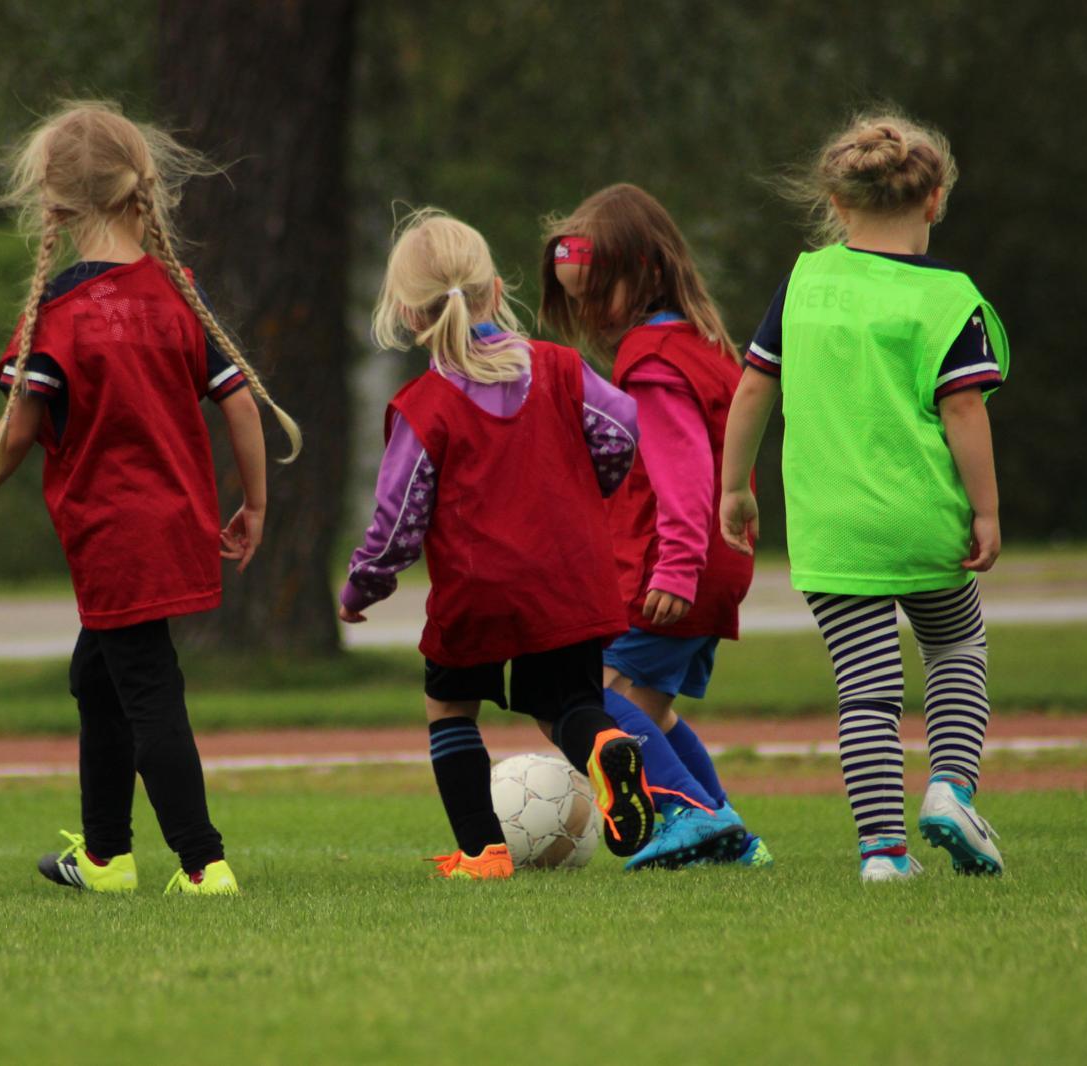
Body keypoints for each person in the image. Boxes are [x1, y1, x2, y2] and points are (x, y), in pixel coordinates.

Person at [0, 100, 299, 897]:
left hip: (114, 536)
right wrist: (254, 503)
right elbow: (240, 402)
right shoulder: (173, 293)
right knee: (99, 676)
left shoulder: (62, 315)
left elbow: (17, 427)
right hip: (176, 523)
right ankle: (105, 857)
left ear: (54, 199)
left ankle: (204, 864)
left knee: (147, 691)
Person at [718, 112, 1010, 882]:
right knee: (954, 645)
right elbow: (964, 408)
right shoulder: (950, 297)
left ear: (838, 205)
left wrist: (732, 488)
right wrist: (985, 510)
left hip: (832, 530)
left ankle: (882, 854)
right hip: (923, 522)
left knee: (866, 691)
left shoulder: (806, 280)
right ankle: (950, 789)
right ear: (934, 200)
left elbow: (753, 386)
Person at [340, 209, 654, 880]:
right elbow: (623, 430)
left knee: (451, 706)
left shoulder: (425, 405)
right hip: (571, 577)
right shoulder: (561, 368)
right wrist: (588, 482)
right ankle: (604, 747)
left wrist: (367, 581)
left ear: (405, 310)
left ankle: (483, 853)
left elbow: (399, 517)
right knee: (566, 704)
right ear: (491, 290)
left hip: (479, 591)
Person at [540, 183, 768, 871]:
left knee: (587, 700)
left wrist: (673, 566)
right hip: (717, 562)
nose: (584, 311)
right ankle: (729, 836)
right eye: (573, 296)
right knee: (651, 709)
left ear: (644, 273)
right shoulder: (700, 344)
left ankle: (687, 816)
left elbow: (686, 473)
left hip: (672, 566)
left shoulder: (650, 359)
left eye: (593, 292)